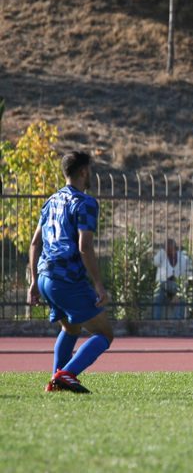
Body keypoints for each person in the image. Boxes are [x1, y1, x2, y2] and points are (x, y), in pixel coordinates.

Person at [27, 151, 113, 393]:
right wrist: (98, 283)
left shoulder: (51, 201)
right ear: (84, 172)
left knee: (71, 328)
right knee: (105, 333)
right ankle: (66, 375)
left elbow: (35, 243)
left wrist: (34, 281)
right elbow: (84, 246)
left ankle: (56, 382)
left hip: (45, 277)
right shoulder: (85, 202)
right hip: (66, 279)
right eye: (90, 171)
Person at [152, 238, 193, 320]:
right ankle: (156, 319)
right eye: (166, 247)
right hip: (163, 284)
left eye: (169, 247)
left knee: (181, 295)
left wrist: (188, 279)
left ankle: (178, 319)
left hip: (177, 284)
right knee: (158, 296)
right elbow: (155, 262)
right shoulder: (163, 256)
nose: (167, 249)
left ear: (174, 247)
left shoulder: (183, 257)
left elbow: (190, 270)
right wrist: (162, 251)